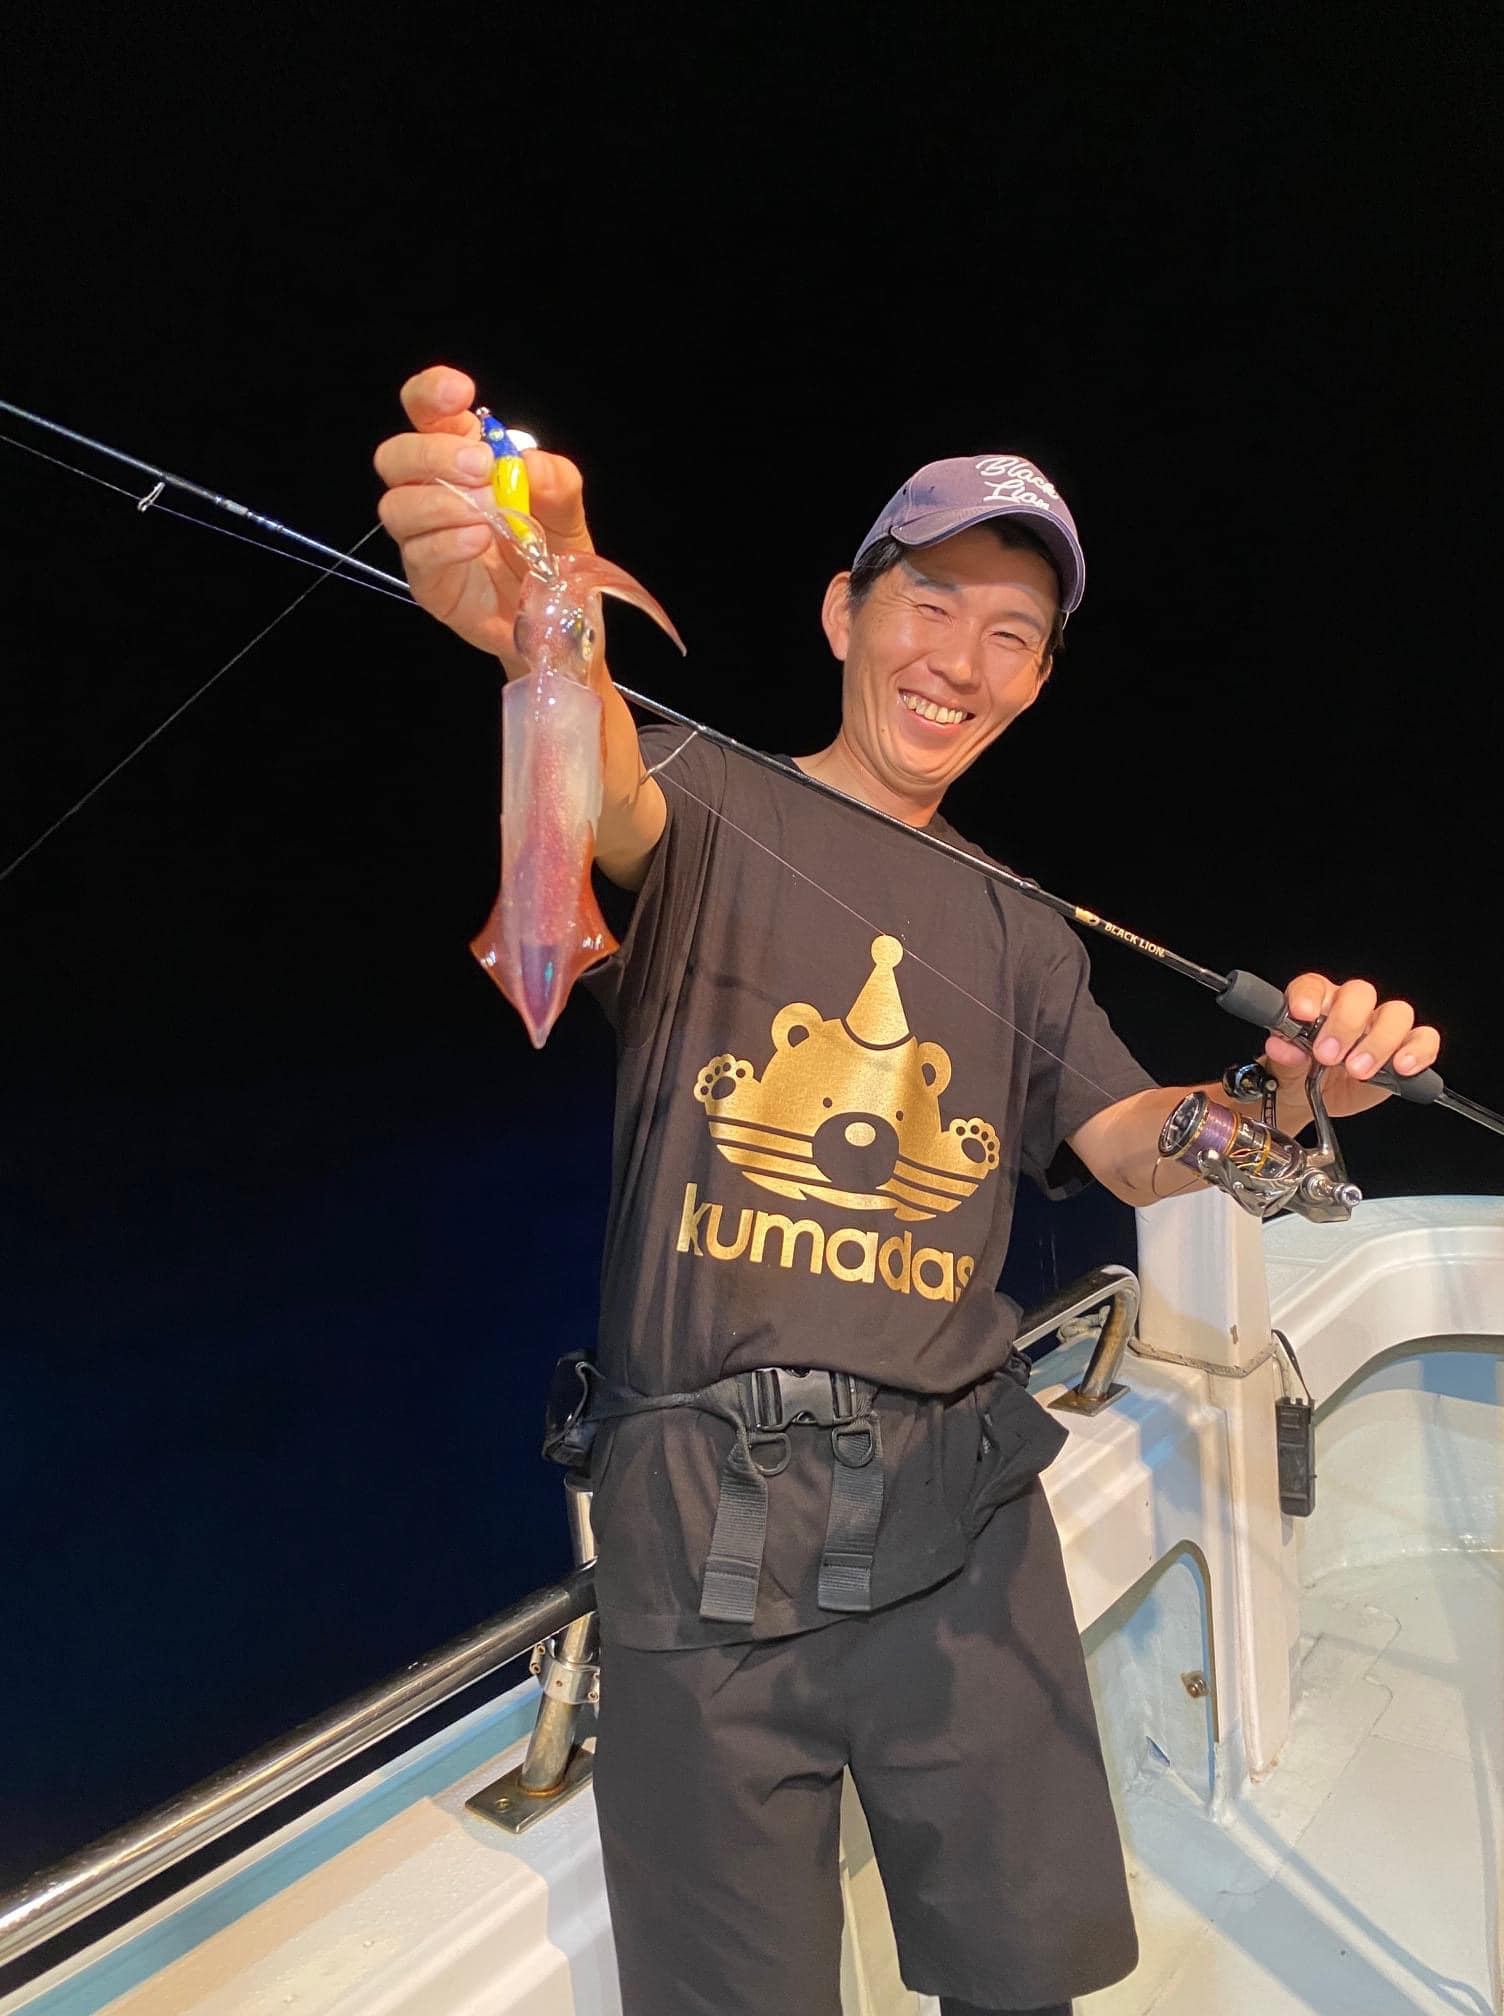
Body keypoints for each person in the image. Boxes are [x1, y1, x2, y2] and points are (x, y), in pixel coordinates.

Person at [375, 368, 1441, 2016]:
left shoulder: (1023, 928)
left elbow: (1134, 1139)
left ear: (1038, 681)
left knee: (1023, 1984)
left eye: (1013, 634)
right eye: (929, 604)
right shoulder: (707, 800)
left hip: (963, 1524)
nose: (960, 660)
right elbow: (592, 787)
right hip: (700, 1544)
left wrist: (1282, 1096)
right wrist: (542, 616)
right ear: (842, 612)